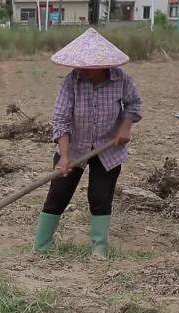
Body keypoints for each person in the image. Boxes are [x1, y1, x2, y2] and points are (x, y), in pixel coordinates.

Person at [33, 28, 142, 259]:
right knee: (58, 195)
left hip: (108, 148)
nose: (81, 69)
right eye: (79, 65)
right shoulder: (71, 82)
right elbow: (61, 120)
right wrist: (64, 156)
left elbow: (133, 104)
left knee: (100, 197)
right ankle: (41, 248)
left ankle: (99, 249)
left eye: (87, 66)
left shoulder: (120, 79)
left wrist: (124, 128)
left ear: (102, 65)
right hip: (74, 148)